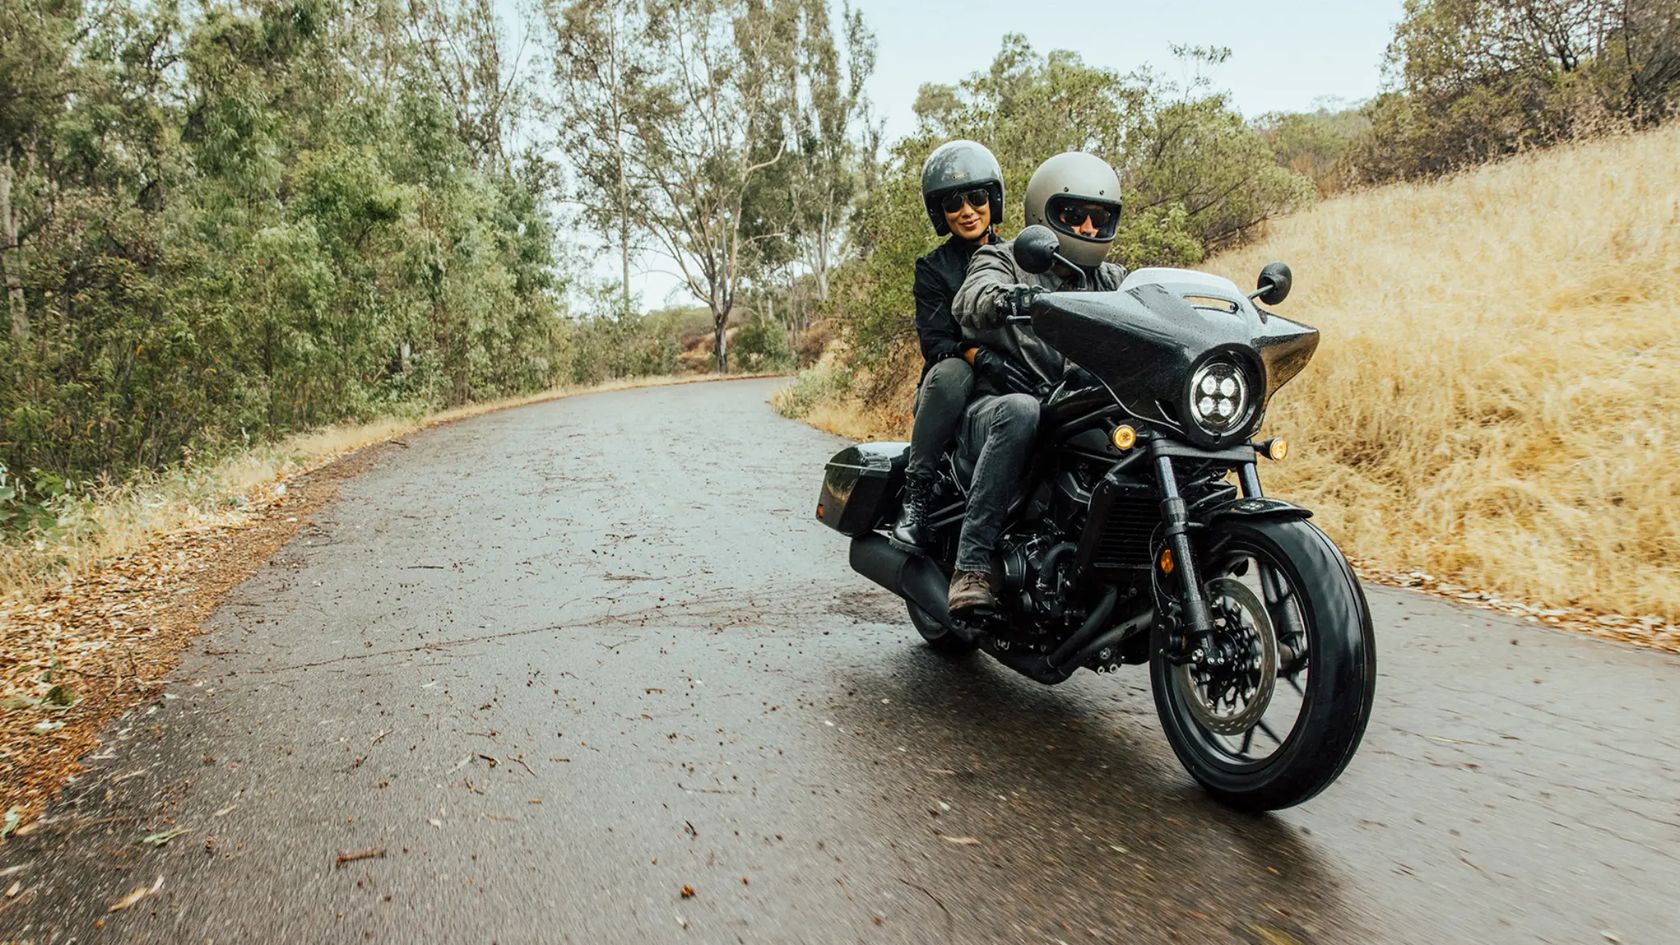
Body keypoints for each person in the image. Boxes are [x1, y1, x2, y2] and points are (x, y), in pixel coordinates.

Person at [944, 151, 1130, 615]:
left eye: (1099, 218)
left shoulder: (1111, 278)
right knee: (1022, 409)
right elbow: (971, 298)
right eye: (1074, 215)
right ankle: (972, 565)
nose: (1088, 228)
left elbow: (1148, 308)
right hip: (995, 409)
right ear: (1043, 214)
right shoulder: (1003, 258)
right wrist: (1011, 298)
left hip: (1074, 407)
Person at [888, 140, 1031, 551]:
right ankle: (916, 494)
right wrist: (982, 357)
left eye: (977, 197)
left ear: (994, 199)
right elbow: (935, 343)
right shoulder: (934, 269)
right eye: (953, 203)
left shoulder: (1022, 257)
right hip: (959, 388)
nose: (967, 211)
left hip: (1020, 378)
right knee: (952, 370)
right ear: (940, 213)